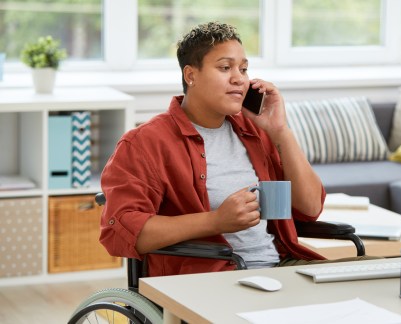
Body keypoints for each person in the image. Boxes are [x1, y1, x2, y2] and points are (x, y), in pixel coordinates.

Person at [99, 21, 373, 277]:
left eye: (243, 69)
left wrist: (281, 132)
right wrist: (216, 221)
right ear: (191, 75)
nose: (239, 79)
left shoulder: (253, 130)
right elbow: (120, 231)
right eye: (225, 68)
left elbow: (311, 207)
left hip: (280, 267)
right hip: (211, 278)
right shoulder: (145, 143)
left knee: (385, 280)